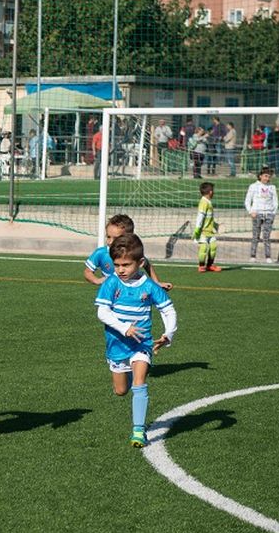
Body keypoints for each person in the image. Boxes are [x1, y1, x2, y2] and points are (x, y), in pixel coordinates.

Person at [94, 233, 177, 448]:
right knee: (121, 390)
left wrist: (168, 334)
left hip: (142, 344)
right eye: (116, 264)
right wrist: (124, 328)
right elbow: (102, 312)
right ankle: (128, 377)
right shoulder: (112, 282)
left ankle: (138, 431)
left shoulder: (149, 286)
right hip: (117, 344)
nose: (120, 269)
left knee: (140, 383)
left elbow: (168, 310)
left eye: (126, 265)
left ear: (140, 263)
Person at [84, 214, 173, 291]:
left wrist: (157, 283)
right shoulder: (101, 253)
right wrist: (97, 280)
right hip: (110, 293)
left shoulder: (132, 253)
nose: (110, 242)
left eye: (116, 238)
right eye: (108, 237)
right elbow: (87, 272)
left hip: (133, 292)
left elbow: (147, 265)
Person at [244, 167, 278, 263]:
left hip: (269, 214)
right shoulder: (253, 186)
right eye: (265, 176)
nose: (267, 178)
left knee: (266, 236)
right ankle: (253, 256)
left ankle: (268, 256)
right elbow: (247, 201)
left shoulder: (272, 187)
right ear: (260, 176)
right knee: (255, 236)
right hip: (257, 213)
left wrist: (273, 213)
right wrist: (251, 211)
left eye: (269, 177)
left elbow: (275, 201)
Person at [193, 181, 220, 273]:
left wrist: (215, 225)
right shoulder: (204, 202)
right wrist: (197, 229)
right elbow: (200, 216)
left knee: (213, 247)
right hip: (202, 231)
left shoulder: (208, 202)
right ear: (210, 192)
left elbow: (209, 217)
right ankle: (201, 266)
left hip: (210, 231)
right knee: (203, 248)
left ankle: (210, 265)